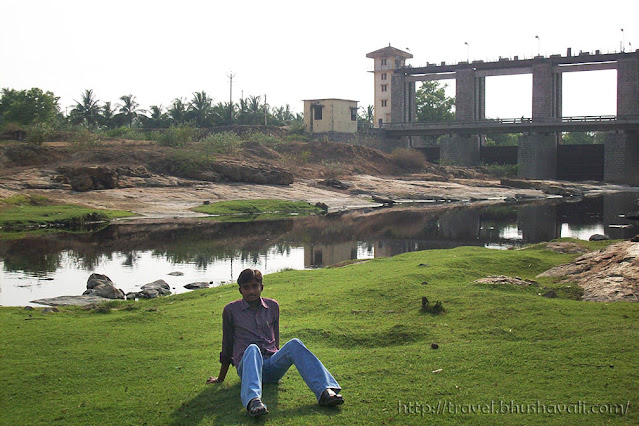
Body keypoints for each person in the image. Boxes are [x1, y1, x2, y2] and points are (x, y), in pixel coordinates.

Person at [206, 268, 343, 417]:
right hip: (248, 369)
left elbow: (275, 340)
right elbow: (227, 345)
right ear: (240, 290)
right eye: (246, 287)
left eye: (254, 286)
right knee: (252, 349)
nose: (251, 291)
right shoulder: (231, 310)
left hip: (271, 366)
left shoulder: (272, 306)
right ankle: (253, 401)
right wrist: (220, 378)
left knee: (295, 344)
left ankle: (325, 392)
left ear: (261, 287)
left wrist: (277, 357)